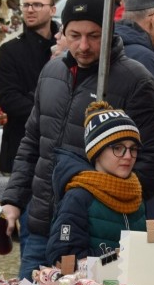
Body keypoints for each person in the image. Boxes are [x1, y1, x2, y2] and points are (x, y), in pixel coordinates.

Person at [0, 0, 154, 279]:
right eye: (74, 36)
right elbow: (31, 144)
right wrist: (13, 200)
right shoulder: (51, 73)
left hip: (97, 233)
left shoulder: (135, 79)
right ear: (62, 32)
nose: (83, 46)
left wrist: (111, 201)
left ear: (109, 32)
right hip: (40, 226)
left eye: (93, 36)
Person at [46, 102, 146, 264]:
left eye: (133, 148)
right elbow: (63, 258)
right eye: (118, 148)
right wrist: (117, 258)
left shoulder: (137, 193)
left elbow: (150, 241)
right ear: (97, 152)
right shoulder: (78, 197)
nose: (128, 156)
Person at [0, 0, 57, 174]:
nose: (30, 10)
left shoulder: (68, 46)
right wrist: (50, 114)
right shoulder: (10, 51)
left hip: (58, 147)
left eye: (37, 5)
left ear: (52, 10)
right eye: (27, 5)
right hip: (22, 146)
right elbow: (9, 100)